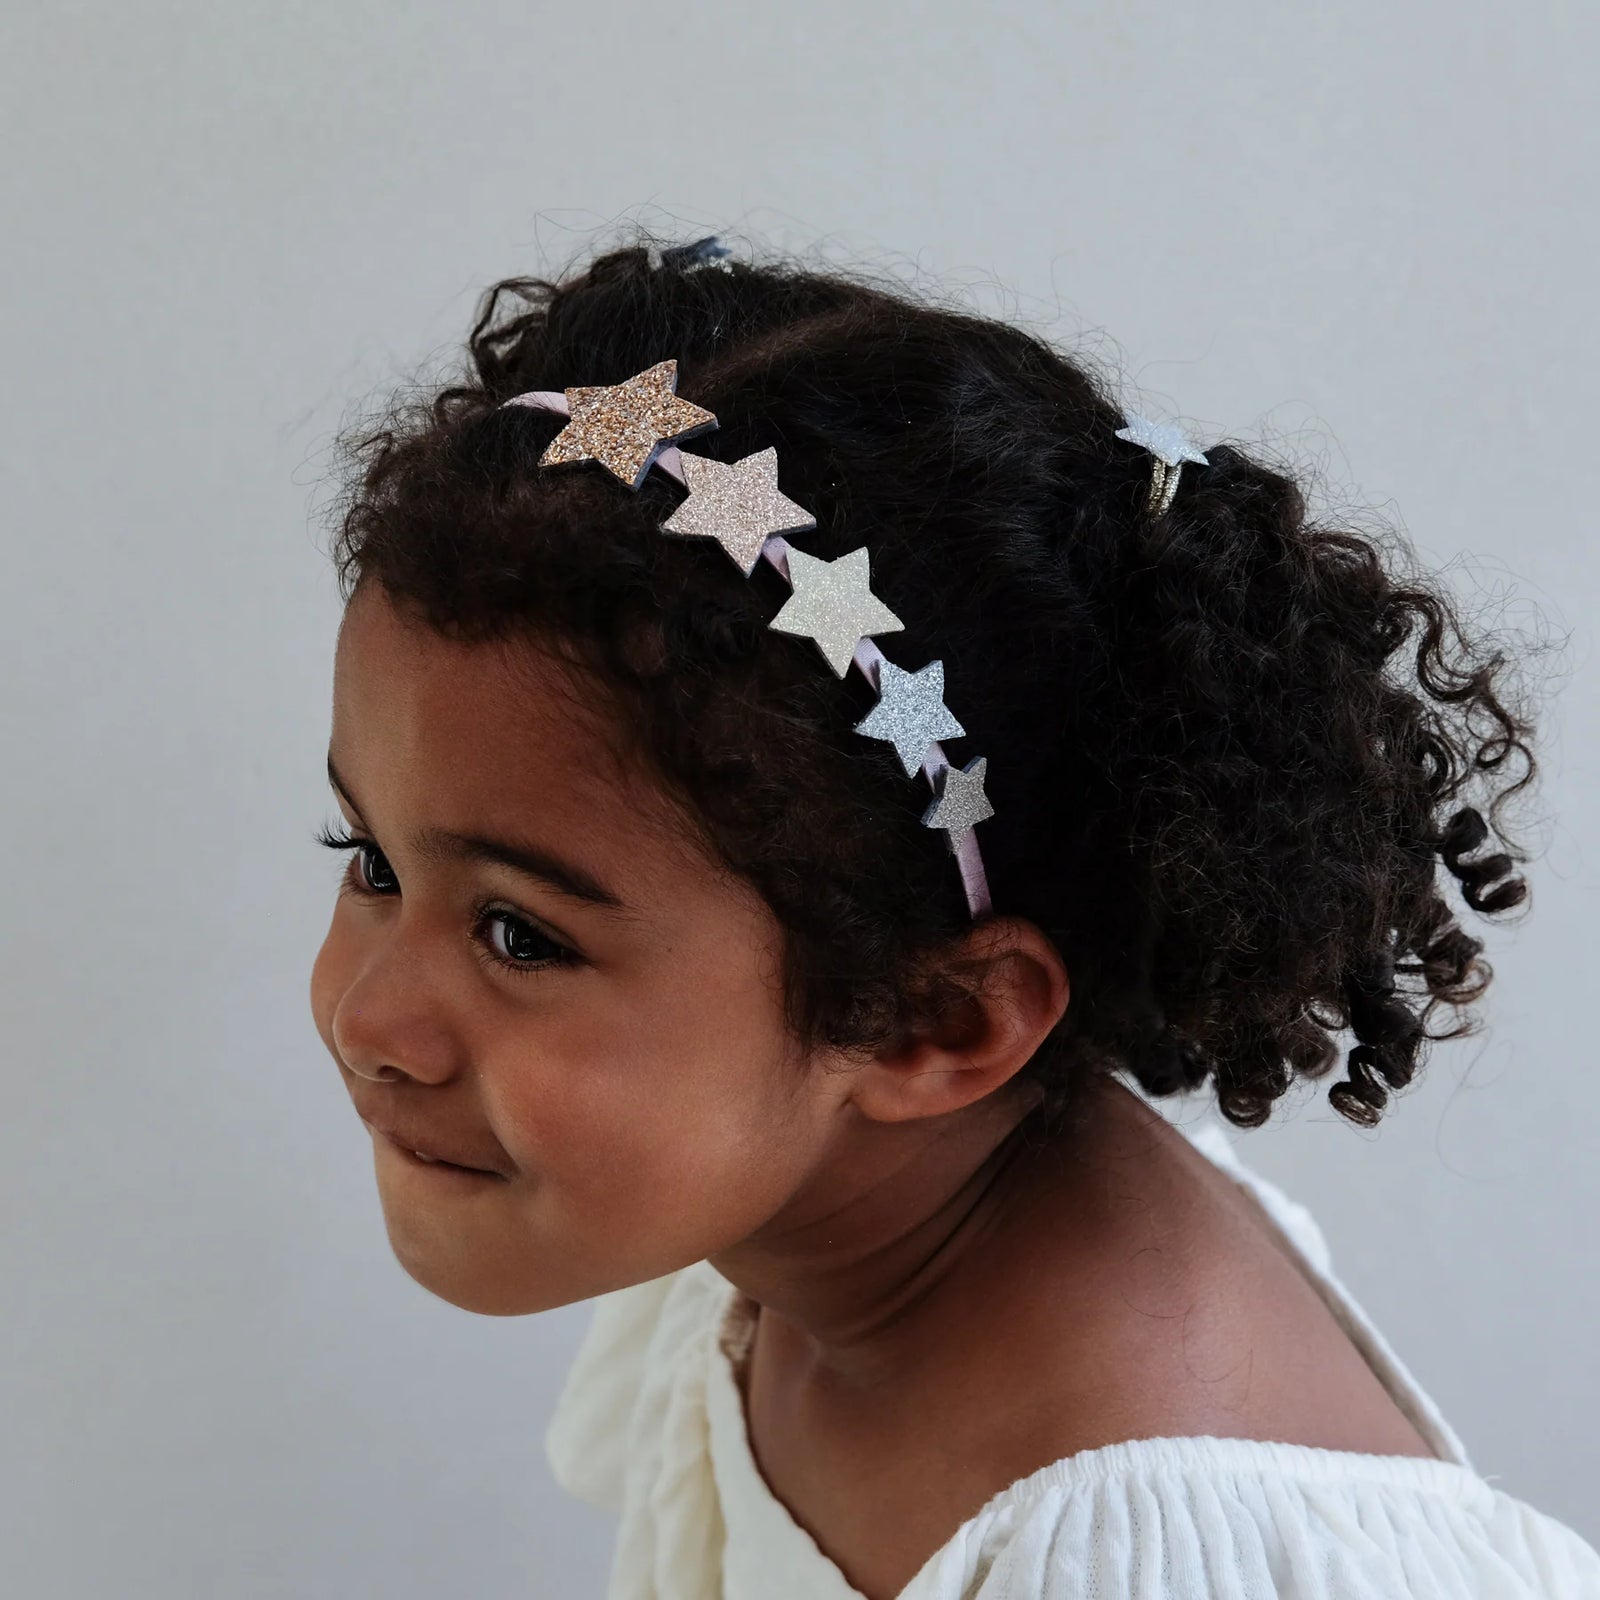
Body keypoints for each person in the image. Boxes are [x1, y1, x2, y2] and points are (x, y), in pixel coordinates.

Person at [308, 231, 1600, 1598]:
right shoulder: (783, 1203)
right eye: (374, 862)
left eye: (521, 935)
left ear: (932, 1021)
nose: (367, 1016)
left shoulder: (1129, 1554)